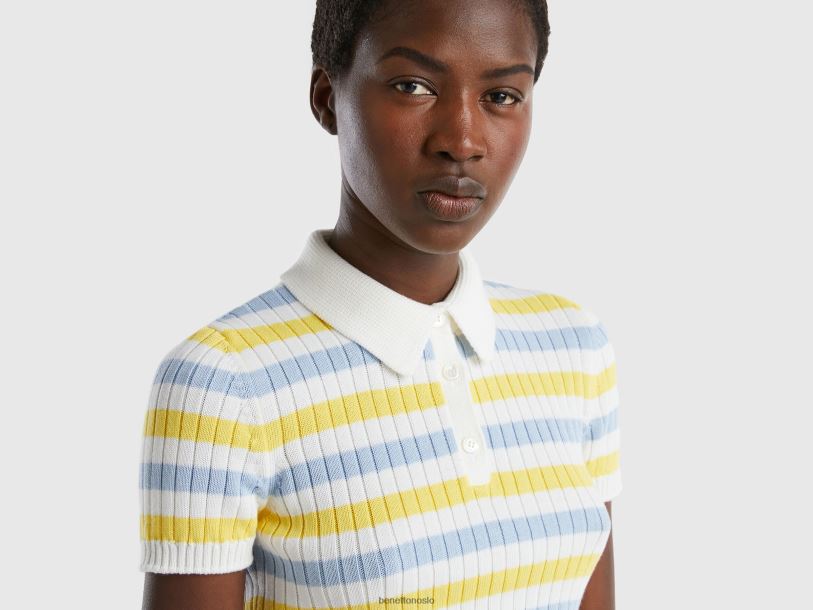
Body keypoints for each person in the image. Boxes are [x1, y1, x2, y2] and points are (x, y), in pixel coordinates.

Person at [139, 1, 623, 608]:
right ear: (326, 98)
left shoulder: (574, 346)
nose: (462, 142)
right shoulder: (224, 383)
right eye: (413, 86)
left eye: (501, 96)